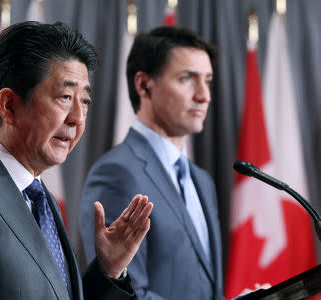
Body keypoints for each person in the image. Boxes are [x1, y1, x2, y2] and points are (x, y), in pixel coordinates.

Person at [0, 21, 153, 300]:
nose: (78, 118)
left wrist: (108, 271)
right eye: (65, 97)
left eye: (84, 101)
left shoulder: (41, 199)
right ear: (9, 106)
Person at [79, 25, 224, 299]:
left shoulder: (202, 181)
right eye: (187, 79)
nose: (204, 95)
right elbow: (125, 294)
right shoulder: (117, 173)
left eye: (208, 81)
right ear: (144, 85)